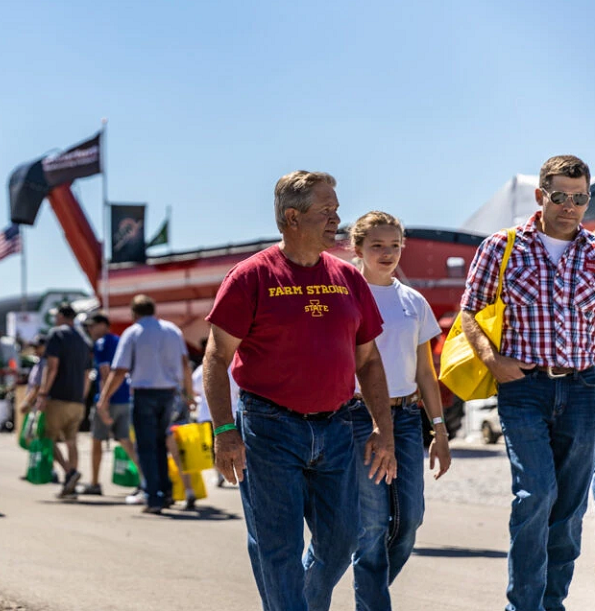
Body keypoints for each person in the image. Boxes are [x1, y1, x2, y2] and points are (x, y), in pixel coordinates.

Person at [202, 170, 397, 611]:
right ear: (293, 217)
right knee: (278, 547)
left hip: (337, 428)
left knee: (343, 538)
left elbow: (368, 360)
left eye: (336, 209)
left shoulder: (348, 278)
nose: (337, 219)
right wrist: (224, 430)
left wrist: (382, 429)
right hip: (270, 429)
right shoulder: (250, 277)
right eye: (326, 210)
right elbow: (215, 358)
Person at [460, 155, 595, 611]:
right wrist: (491, 359)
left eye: (580, 197)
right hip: (524, 389)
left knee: (571, 508)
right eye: (560, 196)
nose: (570, 206)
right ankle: (523, 606)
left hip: (584, 390)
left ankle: (551, 603)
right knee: (536, 492)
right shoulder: (502, 246)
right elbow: (468, 312)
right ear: (541, 196)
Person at [348, 211, 452, 611]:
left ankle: (370, 592)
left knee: (408, 522)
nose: (388, 253)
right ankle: (372, 604)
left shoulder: (413, 301)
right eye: (377, 245)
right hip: (358, 419)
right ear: (358, 248)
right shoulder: (346, 294)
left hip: (408, 419)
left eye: (395, 245)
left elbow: (426, 371)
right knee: (372, 525)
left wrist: (439, 431)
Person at [97, 294, 194, 515]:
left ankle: (154, 497)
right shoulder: (172, 330)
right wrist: (188, 394)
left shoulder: (133, 333)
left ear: (134, 313)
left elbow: (119, 370)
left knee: (146, 446)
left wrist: (104, 398)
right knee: (161, 444)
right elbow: (185, 364)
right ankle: (166, 492)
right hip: (169, 394)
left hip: (144, 393)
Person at [79, 314, 141, 497]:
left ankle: (95, 483)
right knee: (125, 439)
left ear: (103, 325)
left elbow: (106, 373)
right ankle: (146, 480)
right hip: (124, 397)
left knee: (97, 439)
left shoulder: (102, 344)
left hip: (109, 399)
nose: (89, 330)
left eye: (91, 326)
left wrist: (103, 402)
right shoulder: (119, 340)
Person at [35, 304, 91, 501]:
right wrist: (82, 397)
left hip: (58, 398)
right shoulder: (83, 340)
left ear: (61, 316)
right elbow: (87, 375)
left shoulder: (57, 335)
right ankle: (71, 484)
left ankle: (69, 473)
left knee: (46, 437)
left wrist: (42, 393)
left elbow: (52, 367)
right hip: (77, 400)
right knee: (71, 441)